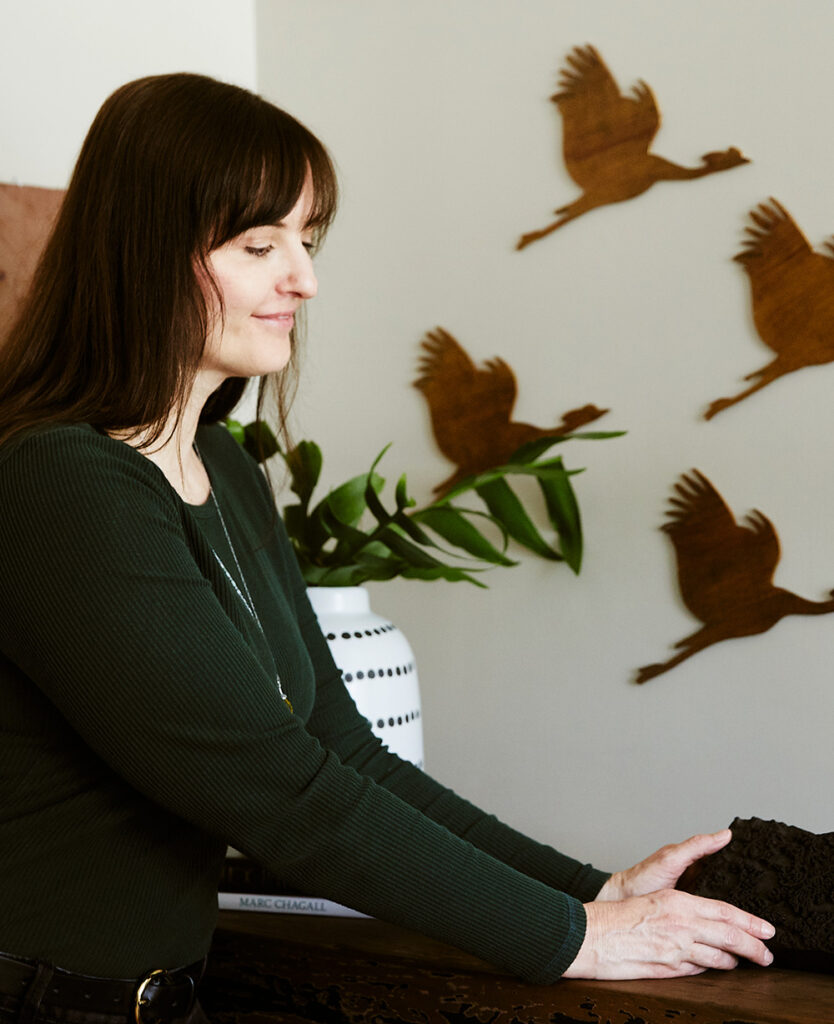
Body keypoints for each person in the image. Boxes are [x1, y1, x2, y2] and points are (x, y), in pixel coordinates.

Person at [0, 73, 774, 1024]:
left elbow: (338, 747)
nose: (304, 279)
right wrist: (567, 938)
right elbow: (280, 794)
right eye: (259, 245)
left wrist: (593, 892)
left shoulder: (225, 469)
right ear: (144, 251)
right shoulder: (58, 484)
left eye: (308, 241)